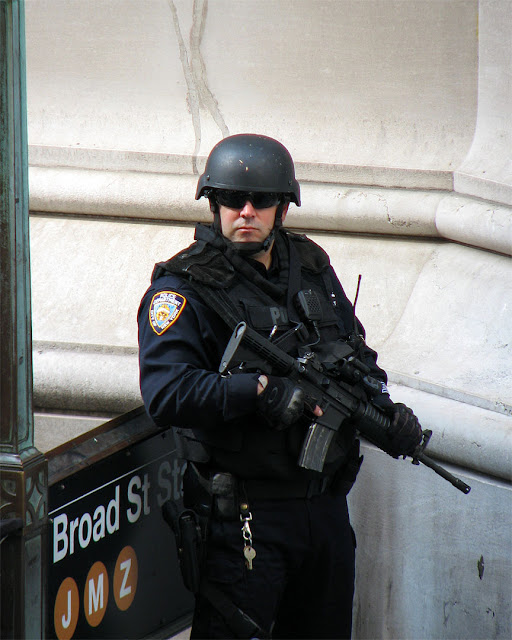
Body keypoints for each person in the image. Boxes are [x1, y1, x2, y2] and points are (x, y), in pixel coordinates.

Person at [138, 134, 422, 639]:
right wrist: (259, 393)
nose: (246, 211)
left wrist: (385, 412)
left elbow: (355, 354)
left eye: (262, 201)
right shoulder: (181, 289)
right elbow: (167, 394)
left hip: (324, 510)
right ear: (213, 203)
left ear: (282, 209)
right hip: (244, 518)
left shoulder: (309, 266)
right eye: (231, 199)